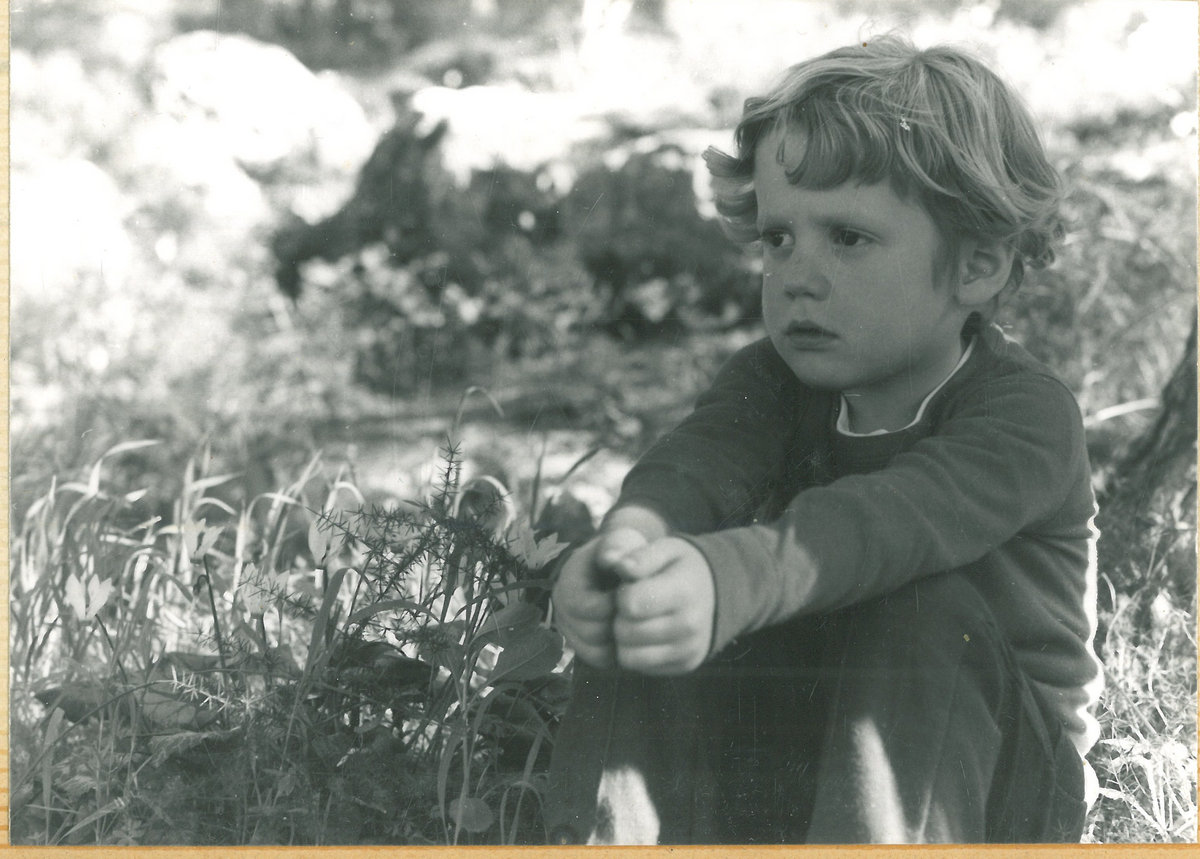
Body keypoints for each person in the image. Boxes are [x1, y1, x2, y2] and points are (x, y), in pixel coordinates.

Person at [544, 35, 1104, 845]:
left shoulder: (1024, 417)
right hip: (813, 747)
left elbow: (884, 523)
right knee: (653, 596)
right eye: (779, 239)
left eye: (848, 237)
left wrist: (728, 578)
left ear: (977, 266)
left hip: (992, 791)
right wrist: (625, 550)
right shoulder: (776, 377)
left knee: (919, 605)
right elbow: (697, 463)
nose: (797, 277)